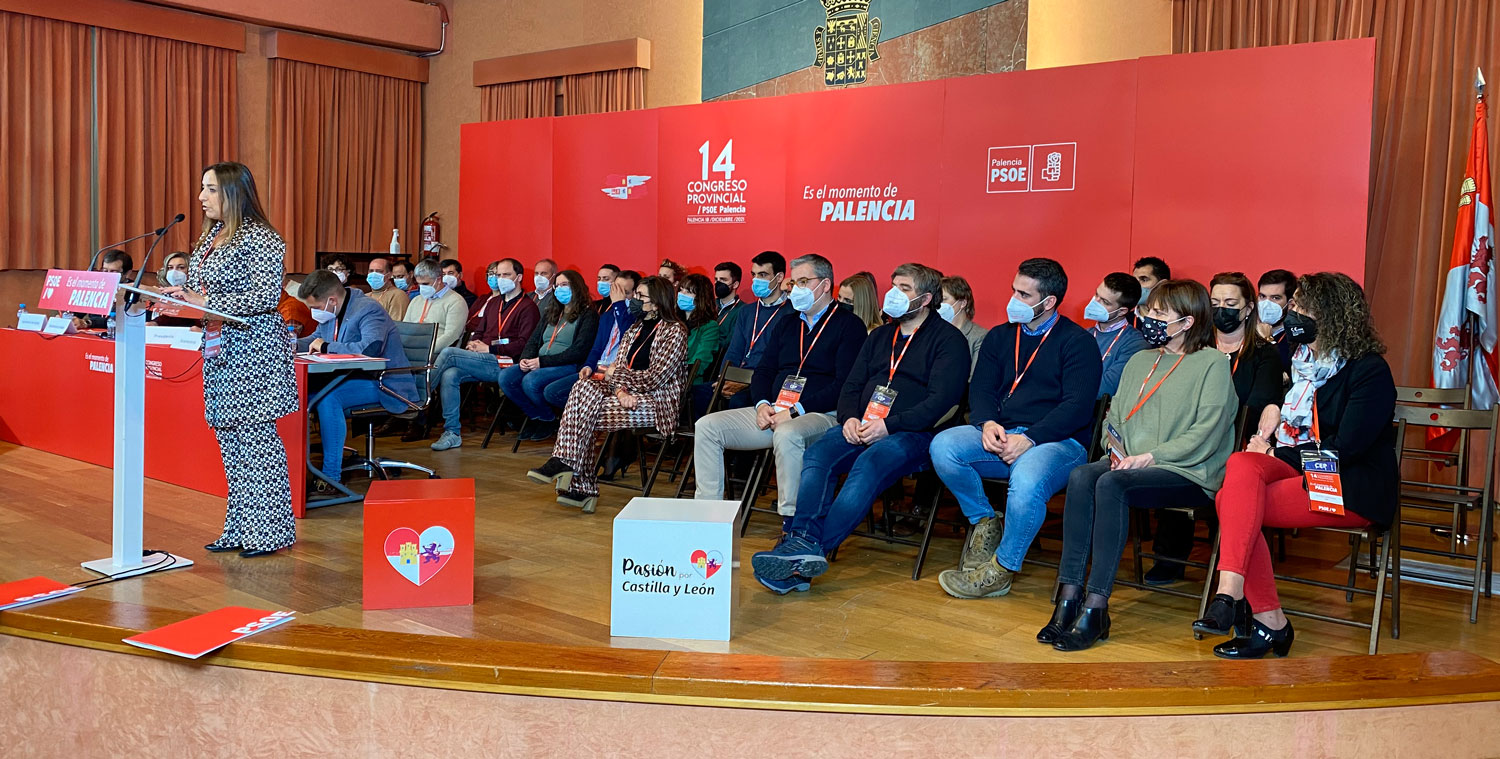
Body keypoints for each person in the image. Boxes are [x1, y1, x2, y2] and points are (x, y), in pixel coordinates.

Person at [1196, 272, 1395, 659]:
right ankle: (1238, 600)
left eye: (1302, 307)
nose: (1291, 312)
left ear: (1331, 314)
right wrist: (1271, 450)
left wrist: (1276, 455)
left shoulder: (1368, 370)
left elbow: (1345, 449)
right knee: (1242, 464)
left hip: (1350, 483)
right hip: (1306, 468)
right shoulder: (1302, 362)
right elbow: (1293, 434)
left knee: (1232, 503)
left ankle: (1258, 614)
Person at [1043, 279, 1238, 651]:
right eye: (1150, 311)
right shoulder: (1140, 360)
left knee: (1110, 485)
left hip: (1185, 470)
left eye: (1160, 313)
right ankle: (1069, 596)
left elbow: (1207, 431)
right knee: (1082, 475)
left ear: (1188, 321)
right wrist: (1115, 450)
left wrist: (1150, 457)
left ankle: (1096, 606)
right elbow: (1114, 416)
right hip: (1130, 463)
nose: (1150, 318)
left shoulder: (1212, 363)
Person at [750, 263, 969, 593]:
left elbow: (941, 402)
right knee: (819, 455)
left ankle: (806, 551)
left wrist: (888, 425)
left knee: (868, 465)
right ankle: (800, 545)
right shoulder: (880, 336)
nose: (894, 293)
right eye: (893, 285)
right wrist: (850, 417)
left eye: (905, 288)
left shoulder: (949, 341)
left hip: (913, 433)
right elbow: (851, 385)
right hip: (861, 425)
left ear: (925, 299)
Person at [931, 258, 1102, 600]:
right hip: (1004, 432)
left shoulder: (1077, 342)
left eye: (1024, 295)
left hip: (1058, 441)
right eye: (1014, 290)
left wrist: (1031, 438)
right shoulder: (1000, 336)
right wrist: (986, 422)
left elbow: (1077, 407)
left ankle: (1002, 569)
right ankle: (985, 521)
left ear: (1048, 301)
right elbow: (981, 388)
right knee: (943, 446)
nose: (1014, 300)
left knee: (1026, 479)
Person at [160, 162, 298, 557]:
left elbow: (265, 296)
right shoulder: (211, 235)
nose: (201, 197)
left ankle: (269, 533)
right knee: (231, 441)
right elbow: (198, 290)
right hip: (220, 346)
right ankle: (239, 529)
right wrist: (178, 296)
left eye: (210, 189)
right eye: (202, 188)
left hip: (254, 349)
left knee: (257, 441)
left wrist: (206, 300)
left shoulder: (262, 237)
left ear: (234, 193)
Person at [693, 255, 866, 541]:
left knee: (787, 433)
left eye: (803, 281)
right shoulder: (787, 323)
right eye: (793, 282)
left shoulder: (849, 325)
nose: (795, 288)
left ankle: (792, 524)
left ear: (825, 285)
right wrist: (762, 404)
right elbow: (763, 371)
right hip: (776, 410)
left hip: (821, 414)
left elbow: (844, 385)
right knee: (707, 426)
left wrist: (795, 410)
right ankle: (709, 518)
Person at [1145, 271, 1285, 585]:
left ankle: (1229, 563)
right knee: (1175, 458)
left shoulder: (1263, 354)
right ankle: (1169, 557)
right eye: (1215, 303)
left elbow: (1257, 404)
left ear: (1248, 308)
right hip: (1191, 438)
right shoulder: (1195, 348)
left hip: (1237, 442)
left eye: (1231, 304)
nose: (1222, 310)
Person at [526, 276, 689, 514]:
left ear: (656, 303)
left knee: (582, 413)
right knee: (582, 387)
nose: (634, 300)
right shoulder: (634, 329)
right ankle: (572, 472)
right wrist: (620, 391)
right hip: (625, 395)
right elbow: (615, 371)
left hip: (656, 402)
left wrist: (617, 377)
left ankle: (576, 478)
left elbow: (654, 378)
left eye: (640, 296)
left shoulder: (674, 331)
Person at [295, 270, 417, 493]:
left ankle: (331, 478)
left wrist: (326, 347)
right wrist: (291, 343)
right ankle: (296, 473)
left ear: (332, 300)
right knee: (301, 393)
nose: (314, 312)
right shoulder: (333, 310)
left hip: (385, 382)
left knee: (328, 398)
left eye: (316, 307)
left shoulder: (368, 309)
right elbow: (315, 340)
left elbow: (369, 349)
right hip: (349, 378)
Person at [465, 269, 602, 448]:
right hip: (540, 361)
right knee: (506, 377)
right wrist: (526, 358)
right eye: (557, 286)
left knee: (531, 381)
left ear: (576, 287)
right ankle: (537, 415)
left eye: (565, 285)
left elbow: (579, 351)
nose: (560, 289)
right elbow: (533, 340)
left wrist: (541, 362)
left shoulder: (588, 315)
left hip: (567, 364)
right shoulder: (552, 312)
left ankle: (547, 419)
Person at [424, 257, 541, 448]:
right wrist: (473, 343)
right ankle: (452, 432)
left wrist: (490, 348)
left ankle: (421, 394)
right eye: (498, 275)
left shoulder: (528, 307)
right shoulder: (494, 303)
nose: (501, 279)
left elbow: (524, 344)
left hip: (507, 363)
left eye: (506, 275)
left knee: (449, 353)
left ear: (519, 277)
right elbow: (480, 330)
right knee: (450, 374)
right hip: (482, 359)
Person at [715, 251, 791, 408]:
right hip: (737, 377)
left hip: (764, 381)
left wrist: (746, 382)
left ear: (779, 277)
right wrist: (723, 379)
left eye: (763, 275)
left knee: (738, 401)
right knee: (699, 394)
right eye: (754, 275)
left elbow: (781, 361)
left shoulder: (792, 312)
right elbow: (734, 350)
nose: (756, 280)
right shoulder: (747, 311)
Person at [1085, 272, 1149, 398]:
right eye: (1096, 294)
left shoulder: (1136, 343)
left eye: (1105, 302)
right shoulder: (1083, 334)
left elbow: (1106, 388)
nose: (1095, 302)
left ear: (1122, 311)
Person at [402, 258, 466, 350]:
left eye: (425, 284)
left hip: (436, 352)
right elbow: (405, 329)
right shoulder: (416, 300)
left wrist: (427, 350)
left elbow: (451, 336)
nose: (421, 288)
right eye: (419, 284)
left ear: (439, 280)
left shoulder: (456, 301)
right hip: (410, 349)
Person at [938, 275, 988, 377]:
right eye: (936, 300)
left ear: (963, 303)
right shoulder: (933, 333)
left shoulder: (980, 336)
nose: (938, 305)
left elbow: (975, 377)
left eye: (943, 299)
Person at [74, 250, 135, 330]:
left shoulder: (134, 292)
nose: (108, 276)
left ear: (127, 273)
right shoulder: (97, 286)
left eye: (113, 272)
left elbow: (122, 321)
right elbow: (78, 312)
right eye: (105, 271)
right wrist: (71, 317)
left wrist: (89, 322)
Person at [677, 273, 721, 384]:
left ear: (701, 297)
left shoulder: (710, 327)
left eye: (688, 292)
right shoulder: (672, 321)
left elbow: (699, 363)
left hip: (688, 382)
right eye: (681, 290)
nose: (682, 294)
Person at [1256, 268, 1298, 369]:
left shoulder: (1296, 337)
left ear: (1290, 304)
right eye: (1262, 296)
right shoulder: (1246, 331)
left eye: (1275, 298)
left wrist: (1268, 340)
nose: (1266, 304)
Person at [148, 252, 199, 327]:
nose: (174, 272)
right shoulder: (161, 293)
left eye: (181, 267)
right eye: (170, 268)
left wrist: (157, 323)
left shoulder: (196, 295)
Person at [364, 255, 408, 321]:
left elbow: (395, 324)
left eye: (379, 271)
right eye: (371, 271)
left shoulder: (398, 295)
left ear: (389, 275)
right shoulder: (365, 296)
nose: (374, 274)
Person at [713, 261, 746, 336]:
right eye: (716, 279)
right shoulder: (709, 305)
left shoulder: (743, 310)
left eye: (723, 280)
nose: (718, 283)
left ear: (735, 284)